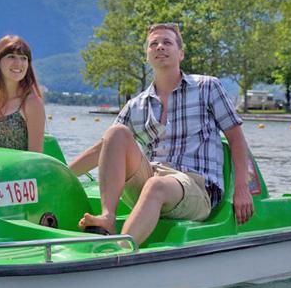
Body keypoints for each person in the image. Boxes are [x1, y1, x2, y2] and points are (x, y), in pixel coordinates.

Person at [69, 23, 254, 245]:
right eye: (153, 44)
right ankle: (107, 218)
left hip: (196, 187)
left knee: (156, 186)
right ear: (147, 56)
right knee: (116, 133)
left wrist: (242, 188)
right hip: (152, 176)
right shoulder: (137, 104)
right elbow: (102, 149)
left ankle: (121, 250)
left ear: (181, 53)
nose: (160, 47)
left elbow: (236, 139)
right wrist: (61, 173)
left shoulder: (207, 87)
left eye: (167, 42)